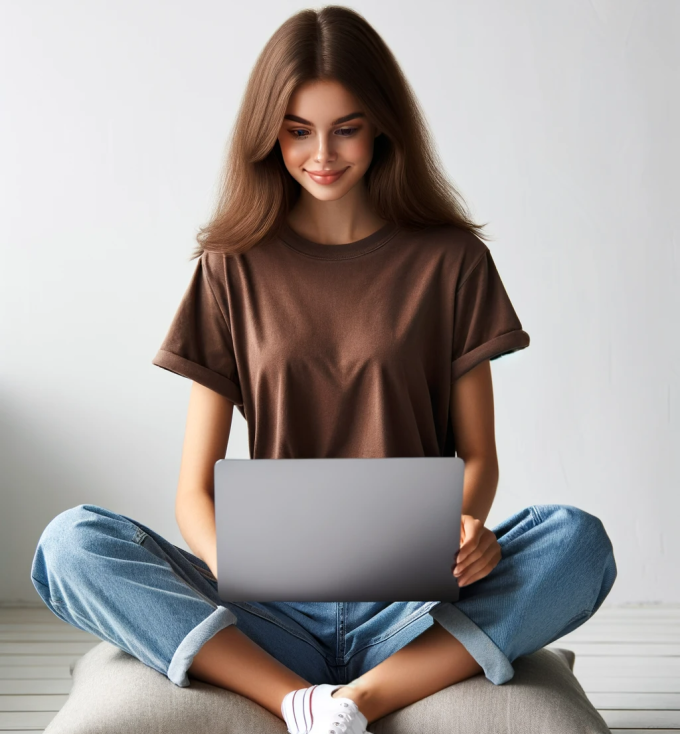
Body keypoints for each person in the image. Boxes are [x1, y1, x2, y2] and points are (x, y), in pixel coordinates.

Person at [30, 6, 617, 734]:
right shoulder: (228, 269)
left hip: (413, 602)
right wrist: (232, 567)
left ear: (381, 125)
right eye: (297, 129)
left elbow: (479, 457)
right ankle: (294, 702)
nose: (322, 153)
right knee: (71, 543)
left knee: (577, 541)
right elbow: (192, 490)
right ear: (267, 132)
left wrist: (467, 530)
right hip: (261, 605)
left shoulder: (452, 261)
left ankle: (358, 701)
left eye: (346, 127)